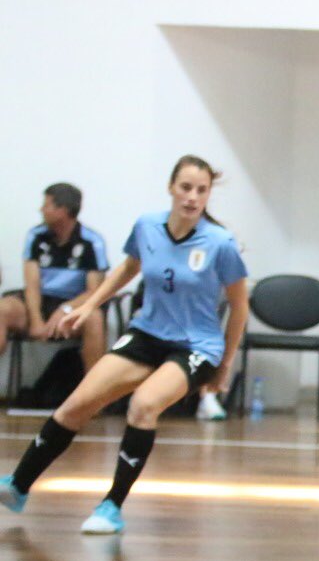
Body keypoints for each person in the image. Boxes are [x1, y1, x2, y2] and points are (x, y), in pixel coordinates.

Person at [0, 155, 249, 534]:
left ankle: (111, 507)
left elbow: (239, 305)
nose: (192, 197)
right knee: (76, 405)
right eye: (185, 187)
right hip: (148, 333)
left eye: (201, 190)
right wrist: (87, 306)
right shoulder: (148, 226)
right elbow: (128, 269)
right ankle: (17, 486)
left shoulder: (220, 244)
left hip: (196, 345)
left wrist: (226, 364)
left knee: (144, 404)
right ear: (171, 187)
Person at [0, 183, 110, 372]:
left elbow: (94, 292)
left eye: (46, 205)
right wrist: (36, 320)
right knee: (4, 308)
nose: (41, 210)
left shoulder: (92, 241)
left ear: (62, 211)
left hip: (72, 307)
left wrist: (65, 309)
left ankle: (94, 395)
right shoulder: (36, 235)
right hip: (38, 303)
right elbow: (32, 284)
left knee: (94, 318)